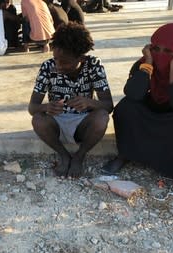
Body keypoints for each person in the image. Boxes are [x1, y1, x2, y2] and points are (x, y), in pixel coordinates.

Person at [101, 23, 173, 201]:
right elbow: (134, 94)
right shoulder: (143, 64)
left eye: (168, 51)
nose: (160, 55)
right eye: (156, 48)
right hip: (147, 110)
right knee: (125, 108)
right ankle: (125, 155)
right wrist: (148, 63)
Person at [28, 22, 113, 178]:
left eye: (65, 62)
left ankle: (79, 156)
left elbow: (108, 106)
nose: (59, 65)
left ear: (81, 57)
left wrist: (90, 103)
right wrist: (46, 107)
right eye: (56, 59)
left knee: (102, 117)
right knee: (38, 120)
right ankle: (64, 155)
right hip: (56, 122)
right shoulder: (48, 67)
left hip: (83, 123)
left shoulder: (94, 66)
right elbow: (32, 108)